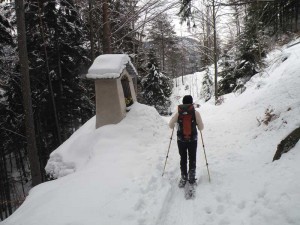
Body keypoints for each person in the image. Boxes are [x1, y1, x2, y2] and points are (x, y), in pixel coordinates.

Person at [169, 95, 204, 187]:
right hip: (193, 140)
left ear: (183, 102)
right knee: (192, 158)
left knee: (183, 158)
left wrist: (176, 124)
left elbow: (170, 125)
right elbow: (201, 128)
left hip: (181, 140)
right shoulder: (195, 113)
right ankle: (192, 178)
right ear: (191, 103)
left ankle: (184, 177)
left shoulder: (178, 113)